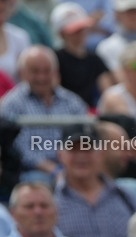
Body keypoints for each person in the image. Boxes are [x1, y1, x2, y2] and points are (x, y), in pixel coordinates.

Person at [0, 46, 89, 181]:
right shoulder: (11, 104)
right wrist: (54, 170)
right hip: (31, 171)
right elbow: (18, 149)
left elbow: (85, 138)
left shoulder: (72, 101)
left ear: (55, 72)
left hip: (71, 167)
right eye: (35, 71)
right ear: (22, 73)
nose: (41, 77)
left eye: (46, 71)